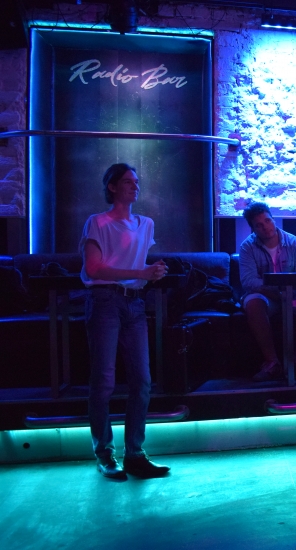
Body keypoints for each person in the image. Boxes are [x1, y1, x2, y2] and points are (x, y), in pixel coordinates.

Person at [80, 163, 170, 479]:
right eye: (128, 181)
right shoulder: (97, 222)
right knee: (103, 381)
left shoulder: (146, 223)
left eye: (136, 181)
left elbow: (135, 265)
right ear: (112, 186)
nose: (135, 186)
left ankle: (135, 453)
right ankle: (105, 454)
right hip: (104, 300)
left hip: (135, 302)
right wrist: (141, 272)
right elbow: (93, 269)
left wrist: (152, 272)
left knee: (142, 380)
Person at [239, 202, 296, 381]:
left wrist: (288, 290)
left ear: (273, 220)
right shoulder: (247, 247)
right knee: (253, 303)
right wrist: (273, 291)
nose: (265, 227)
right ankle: (272, 362)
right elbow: (248, 281)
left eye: (267, 221)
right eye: (259, 225)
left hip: (295, 294)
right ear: (253, 228)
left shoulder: (294, 243)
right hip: (266, 296)